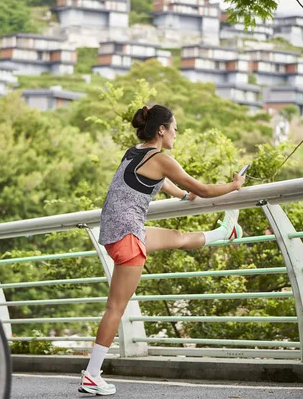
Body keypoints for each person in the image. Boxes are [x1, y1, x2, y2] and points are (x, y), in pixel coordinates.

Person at [78, 104, 245, 396]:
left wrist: (183, 196)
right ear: (161, 130)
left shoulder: (135, 151)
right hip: (128, 234)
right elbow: (203, 189)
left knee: (177, 237)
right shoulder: (161, 157)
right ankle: (92, 375)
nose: (176, 134)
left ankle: (225, 231)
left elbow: (159, 182)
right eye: (175, 129)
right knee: (115, 307)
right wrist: (235, 185)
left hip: (118, 231)